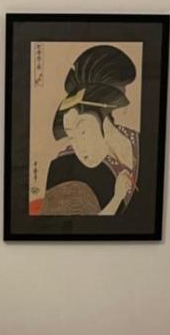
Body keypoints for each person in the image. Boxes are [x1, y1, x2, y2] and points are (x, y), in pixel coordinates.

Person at [40, 45, 139, 216]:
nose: (78, 147)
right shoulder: (63, 167)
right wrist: (116, 199)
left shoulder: (143, 144)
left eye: (83, 132)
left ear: (107, 117)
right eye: (71, 135)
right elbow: (57, 227)